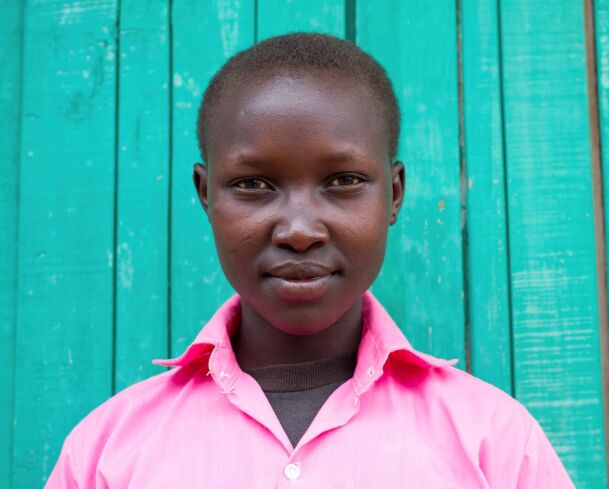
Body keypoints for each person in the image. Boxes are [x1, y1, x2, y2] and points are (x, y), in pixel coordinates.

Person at [47, 33, 574, 488]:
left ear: (393, 195)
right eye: (253, 185)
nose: (299, 231)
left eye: (344, 181)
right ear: (206, 195)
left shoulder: (495, 441)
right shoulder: (106, 451)